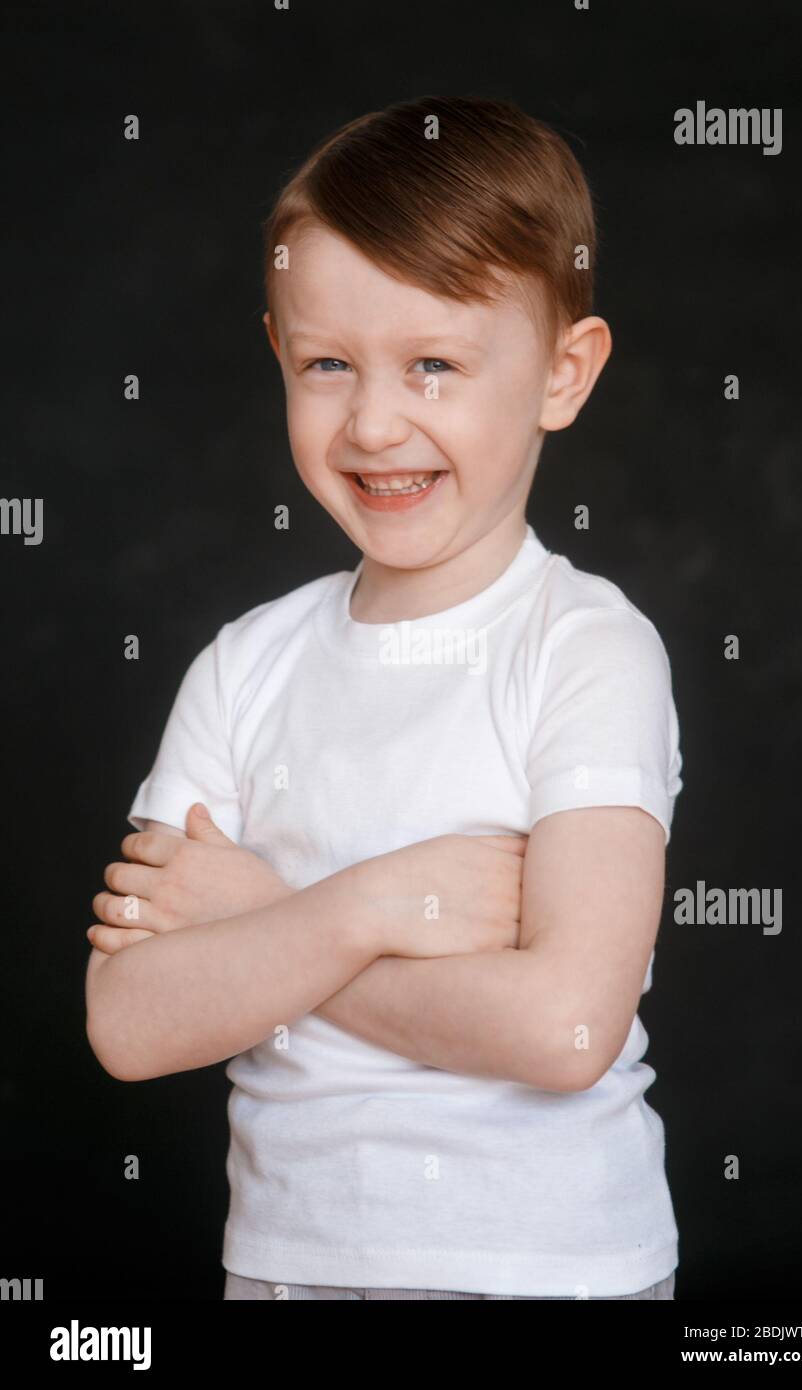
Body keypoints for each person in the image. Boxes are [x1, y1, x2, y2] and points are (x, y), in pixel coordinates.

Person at [84, 95, 684, 1301]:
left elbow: (563, 1030)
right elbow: (131, 1024)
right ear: (277, 353)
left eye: (433, 365)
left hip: (547, 1271)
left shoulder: (583, 648)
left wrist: (262, 926)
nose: (370, 422)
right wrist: (364, 907)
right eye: (325, 365)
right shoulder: (244, 665)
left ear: (562, 375)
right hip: (287, 1270)